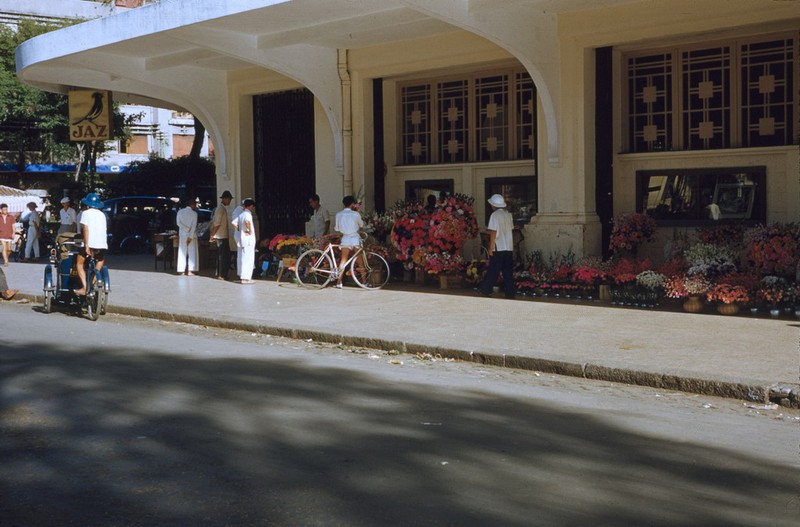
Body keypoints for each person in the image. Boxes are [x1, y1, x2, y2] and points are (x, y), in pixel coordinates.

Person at [478, 194, 515, 299]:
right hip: (508, 247)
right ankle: (510, 292)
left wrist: (491, 247)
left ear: (494, 205)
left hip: (498, 246)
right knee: (507, 271)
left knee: (494, 269)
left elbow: (494, 232)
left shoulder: (494, 215)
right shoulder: (508, 215)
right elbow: (509, 230)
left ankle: (486, 290)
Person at [74, 193, 108, 296]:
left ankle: (85, 287)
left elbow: (86, 229)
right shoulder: (102, 215)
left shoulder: (86, 213)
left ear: (88, 205)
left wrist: (87, 245)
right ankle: (93, 280)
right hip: (102, 245)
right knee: (101, 260)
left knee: (79, 264)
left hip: (91, 244)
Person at [334, 195, 364, 289]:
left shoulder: (339, 214)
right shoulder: (356, 214)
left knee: (343, 260)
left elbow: (337, 228)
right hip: (355, 239)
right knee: (360, 262)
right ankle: (364, 282)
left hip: (345, 239)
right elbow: (361, 225)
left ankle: (339, 282)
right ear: (352, 204)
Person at [210, 190, 233, 280]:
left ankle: (222, 273)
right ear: (225, 199)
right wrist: (213, 235)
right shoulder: (220, 209)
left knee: (224, 255)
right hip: (221, 236)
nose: (230, 201)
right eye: (229, 199)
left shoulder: (222, 208)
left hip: (222, 236)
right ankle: (221, 274)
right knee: (222, 256)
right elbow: (217, 223)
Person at [176, 197, 199, 276]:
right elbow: (193, 227)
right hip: (191, 235)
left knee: (182, 252)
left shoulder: (180, 212)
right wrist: (190, 236)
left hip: (182, 234)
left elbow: (178, 223)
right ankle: (190, 270)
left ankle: (181, 270)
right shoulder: (194, 214)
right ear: (192, 205)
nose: (196, 206)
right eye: (195, 205)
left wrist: (185, 229)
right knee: (192, 252)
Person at [237, 199, 256, 284]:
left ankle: (244, 276)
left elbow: (236, 225)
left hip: (243, 239)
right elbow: (247, 221)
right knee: (248, 259)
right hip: (248, 240)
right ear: (251, 206)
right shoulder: (248, 214)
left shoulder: (241, 215)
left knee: (244, 258)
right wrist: (249, 230)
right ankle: (246, 278)